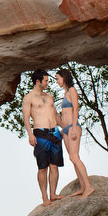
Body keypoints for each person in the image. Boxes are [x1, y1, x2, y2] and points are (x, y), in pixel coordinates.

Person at [22, 70, 65, 206]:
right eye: (46, 80)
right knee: (43, 167)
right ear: (38, 81)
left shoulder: (50, 96)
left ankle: (53, 194)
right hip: (40, 134)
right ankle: (45, 197)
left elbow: (56, 115)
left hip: (55, 133)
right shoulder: (28, 98)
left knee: (54, 166)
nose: (48, 83)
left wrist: (65, 128)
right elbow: (26, 118)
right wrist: (30, 135)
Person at [56, 68, 95, 198]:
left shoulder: (72, 90)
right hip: (65, 130)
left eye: (57, 78)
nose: (57, 81)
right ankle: (83, 187)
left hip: (73, 128)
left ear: (64, 77)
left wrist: (73, 127)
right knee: (72, 158)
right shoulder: (65, 92)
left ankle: (89, 187)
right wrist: (63, 128)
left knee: (74, 157)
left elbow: (76, 109)